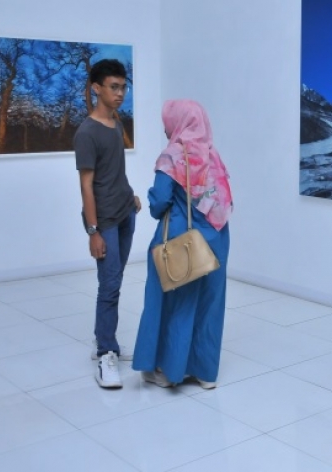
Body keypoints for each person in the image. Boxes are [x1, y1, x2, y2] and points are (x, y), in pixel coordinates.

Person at [132, 99, 232, 390]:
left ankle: (168, 370)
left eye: (167, 121)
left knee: (175, 301)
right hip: (216, 238)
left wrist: (150, 201)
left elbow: (160, 201)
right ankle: (204, 372)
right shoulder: (214, 156)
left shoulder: (173, 155)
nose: (165, 127)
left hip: (180, 239)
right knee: (209, 304)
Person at [74, 59, 141, 389]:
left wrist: (132, 196)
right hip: (105, 222)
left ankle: (105, 338)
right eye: (114, 87)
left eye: (123, 87)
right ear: (96, 88)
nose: (120, 93)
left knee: (115, 279)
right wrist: (93, 231)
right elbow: (87, 186)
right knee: (110, 285)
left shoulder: (115, 123)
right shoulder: (86, 132)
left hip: (126, 211)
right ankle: (105, 353)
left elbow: (115, 171)